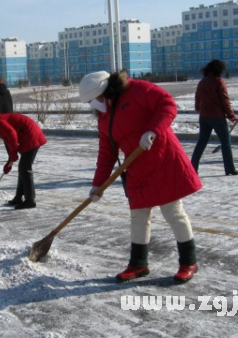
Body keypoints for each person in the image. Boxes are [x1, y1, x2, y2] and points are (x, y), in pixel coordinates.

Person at [78, 71, 202, 283]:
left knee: (173, 212)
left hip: (163, 160)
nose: (95, 105)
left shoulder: (137, 90)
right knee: (139, 216)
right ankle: (138, 264)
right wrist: (98, 184)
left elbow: (167, 104)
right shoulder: (105, 118)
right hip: (136, 168)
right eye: (91, 102)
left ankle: (188, 262)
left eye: (95, 99)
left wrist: (153, 130)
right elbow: (106, 153)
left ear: (105, 91)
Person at [0, 109, 46, 210]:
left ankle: (30, 200)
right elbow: (8, 139)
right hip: (27, 134)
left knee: (25, 168)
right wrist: (10, 159)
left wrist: (13, 153)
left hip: (30, 135)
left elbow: (11, 133)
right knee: (22, 169)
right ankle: (19, 197)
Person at [191, 60, 238, 176]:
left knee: (201, 143)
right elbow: (225, 101)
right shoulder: (219, 82)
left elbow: (197, 99)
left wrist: (199, 109)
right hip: (217, 117)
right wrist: (231, 115)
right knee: (225, 142)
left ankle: (193, 168)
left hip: (204, 117)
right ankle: (229, 168)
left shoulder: (202, 82)